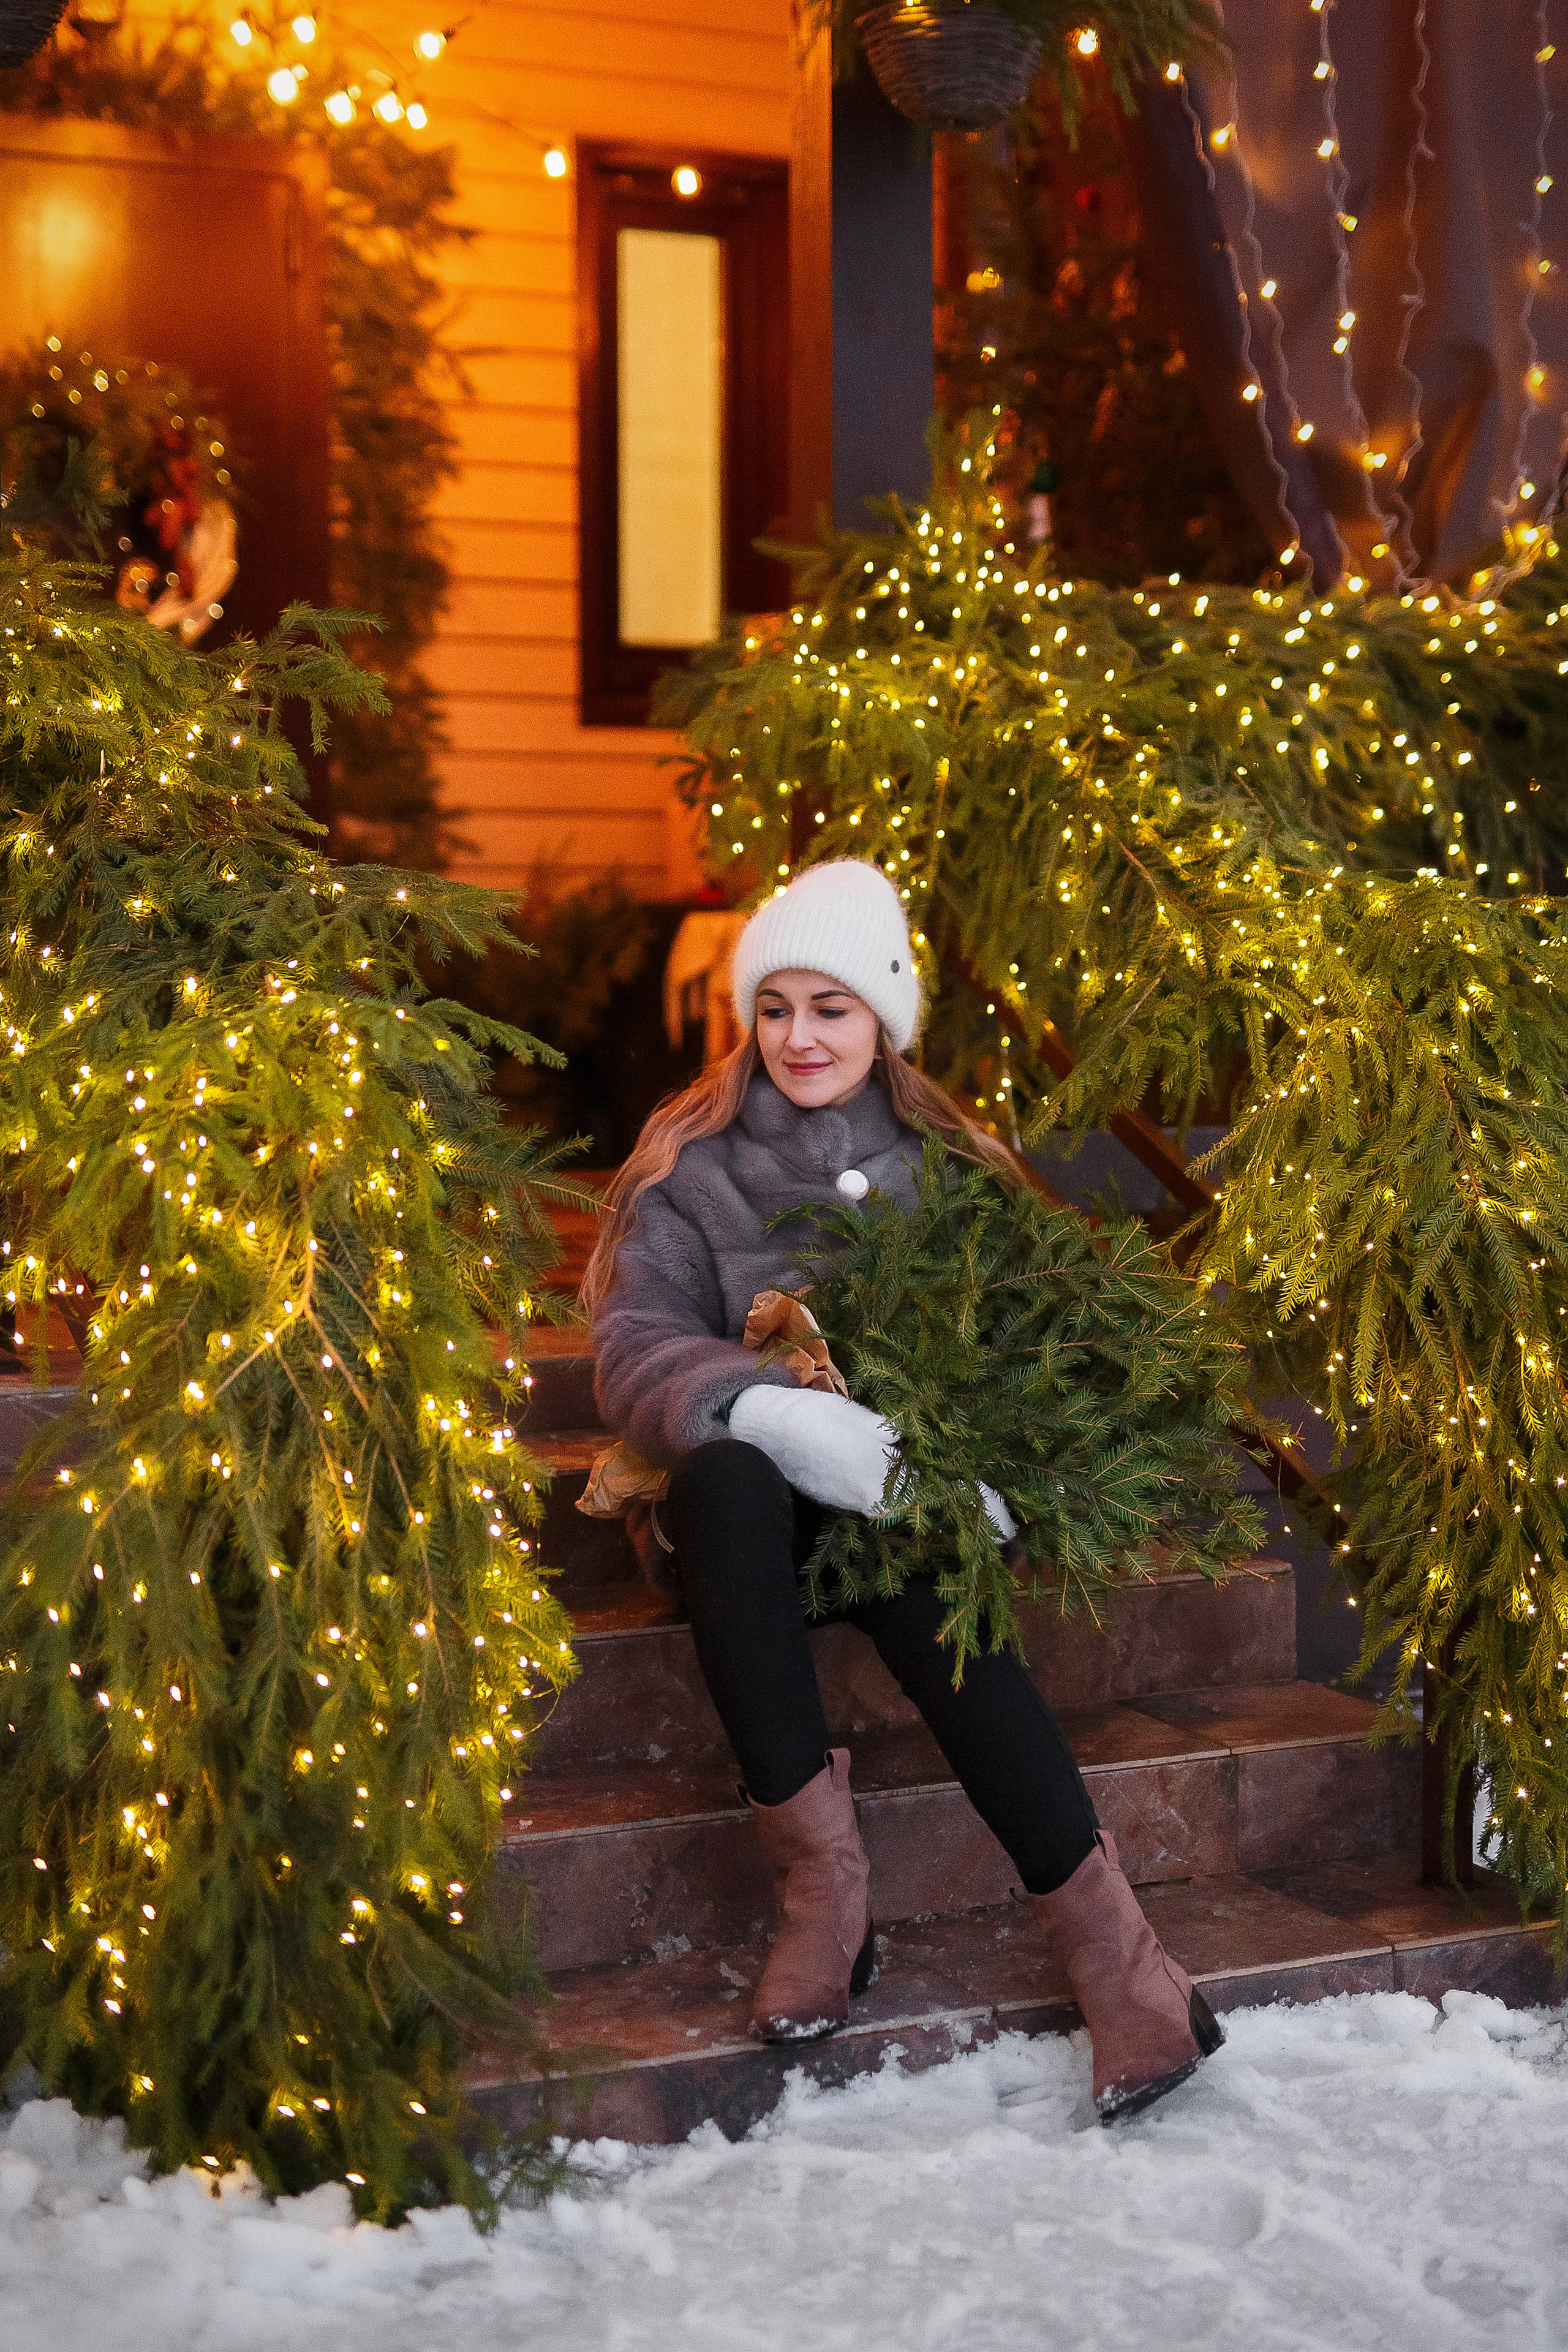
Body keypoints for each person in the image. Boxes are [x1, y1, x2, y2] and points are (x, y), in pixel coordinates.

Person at [582, 861, 1222, 2122]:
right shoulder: (694, 1169)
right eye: (776, 1008)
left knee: (924, 1585)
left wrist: (967, 1472)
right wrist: (775, 1414)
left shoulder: (952, 1167)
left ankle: (1121, 1962)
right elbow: (633, 1343)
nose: (800, 1037)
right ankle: (823, 1899)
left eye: (832, 1007)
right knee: (718, 1478)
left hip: (894, 1517)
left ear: (883, 1019)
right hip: (751, 1523)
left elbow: (1040, 1352)